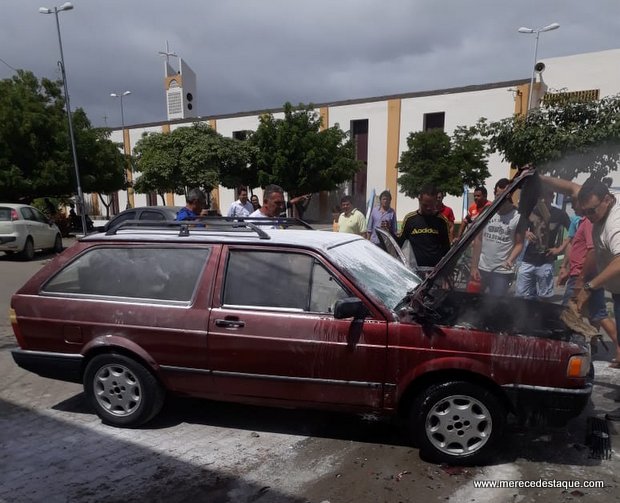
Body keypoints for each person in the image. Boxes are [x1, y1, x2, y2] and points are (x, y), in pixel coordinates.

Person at [470, 178, 524, 296]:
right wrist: (474, 266)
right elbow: (478, 239)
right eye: (498, 195)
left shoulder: (517, 216)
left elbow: (519, 244)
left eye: (504, 196)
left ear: (509, 195)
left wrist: (510, 259)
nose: (500, 199)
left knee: (495, 305)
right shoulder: (487, 212)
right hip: (482, 268)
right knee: (472, 302)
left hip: (502, 271)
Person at [514, 189, 570, 300]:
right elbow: (520, 228)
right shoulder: (531, 212)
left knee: (544, 295)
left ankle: (540, 315)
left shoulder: (560, 214)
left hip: (546, 259)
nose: (543, 200)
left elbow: (573, 233)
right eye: (541, 198)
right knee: (521, 294)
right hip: (528, 258)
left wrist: (560, 249)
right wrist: (526, 232)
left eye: (546, 197)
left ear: (552, 197)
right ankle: (523, 315)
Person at [397, 184, 450, 268]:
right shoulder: (410, 219)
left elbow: (447, 250)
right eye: (425, 205)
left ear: (436, 201)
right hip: (415, 271)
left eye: (432, 205)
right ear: (419, 200)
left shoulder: (442, 221)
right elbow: (399, 243)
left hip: (435, 272)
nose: (429, 208)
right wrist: (388, 231)